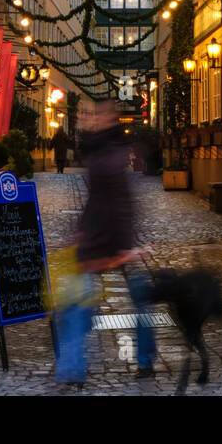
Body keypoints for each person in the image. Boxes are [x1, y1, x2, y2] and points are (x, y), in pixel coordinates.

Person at [52, 100, 156, 385]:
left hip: (111, 240)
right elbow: (97, 199)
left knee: (84, 305)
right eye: (87, 114)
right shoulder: (97, 148)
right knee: (82, 304)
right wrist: (81, 231)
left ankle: (75, 369)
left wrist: (123, 245)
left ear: (109, 118)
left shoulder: (109, 152)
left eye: (95, 114)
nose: (89, 119)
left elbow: (120, 202)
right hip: (99, 237)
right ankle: (75, 368)